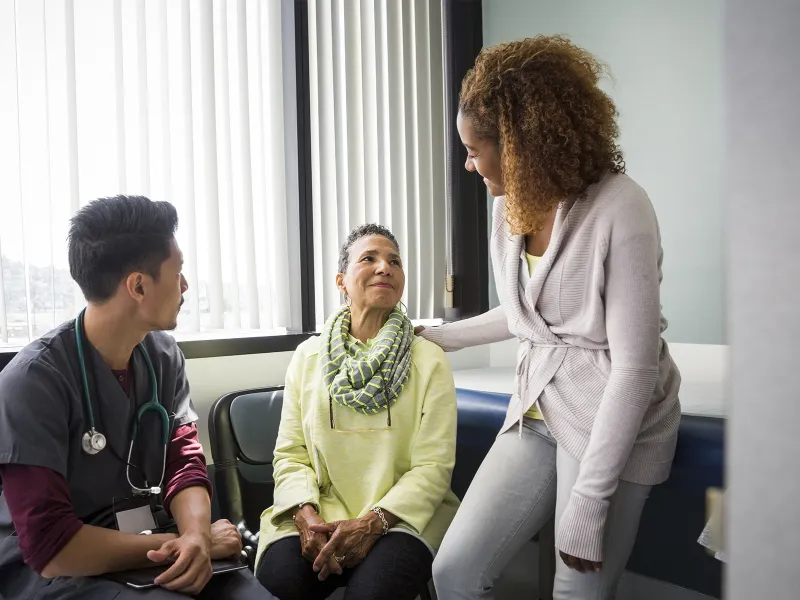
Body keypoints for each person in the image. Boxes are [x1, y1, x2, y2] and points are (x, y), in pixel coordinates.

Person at [419, 36, 682, 599]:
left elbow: (634, 371)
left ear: (518, 144)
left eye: (475, 149)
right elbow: (528, 318)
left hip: (615, 413)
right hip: (539, 405)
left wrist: (590, 501)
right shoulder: (507, 207)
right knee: (455, 571)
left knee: (576, 592)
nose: (468, 164)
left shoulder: (621, 208)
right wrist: (439, 337)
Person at [0, 196, 275, 600]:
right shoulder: (31, 382)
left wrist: (196, 537)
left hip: (157, 541)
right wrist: (188, 546)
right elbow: (52, 546)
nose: (185, 285)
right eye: (178, 272)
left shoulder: (163, 356)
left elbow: (184, 460)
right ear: (139, 285)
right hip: (64, 570)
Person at [255, 224, 459, 600]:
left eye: (394, 261)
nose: (385, 267)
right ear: (342, 281)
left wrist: (372, 523)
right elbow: (291, 454)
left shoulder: (429, 360)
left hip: (401, 518)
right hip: (318, 510)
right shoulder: (308, 357)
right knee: (279, 584)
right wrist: (306, 517)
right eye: (369, 258)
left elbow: (434, 465)